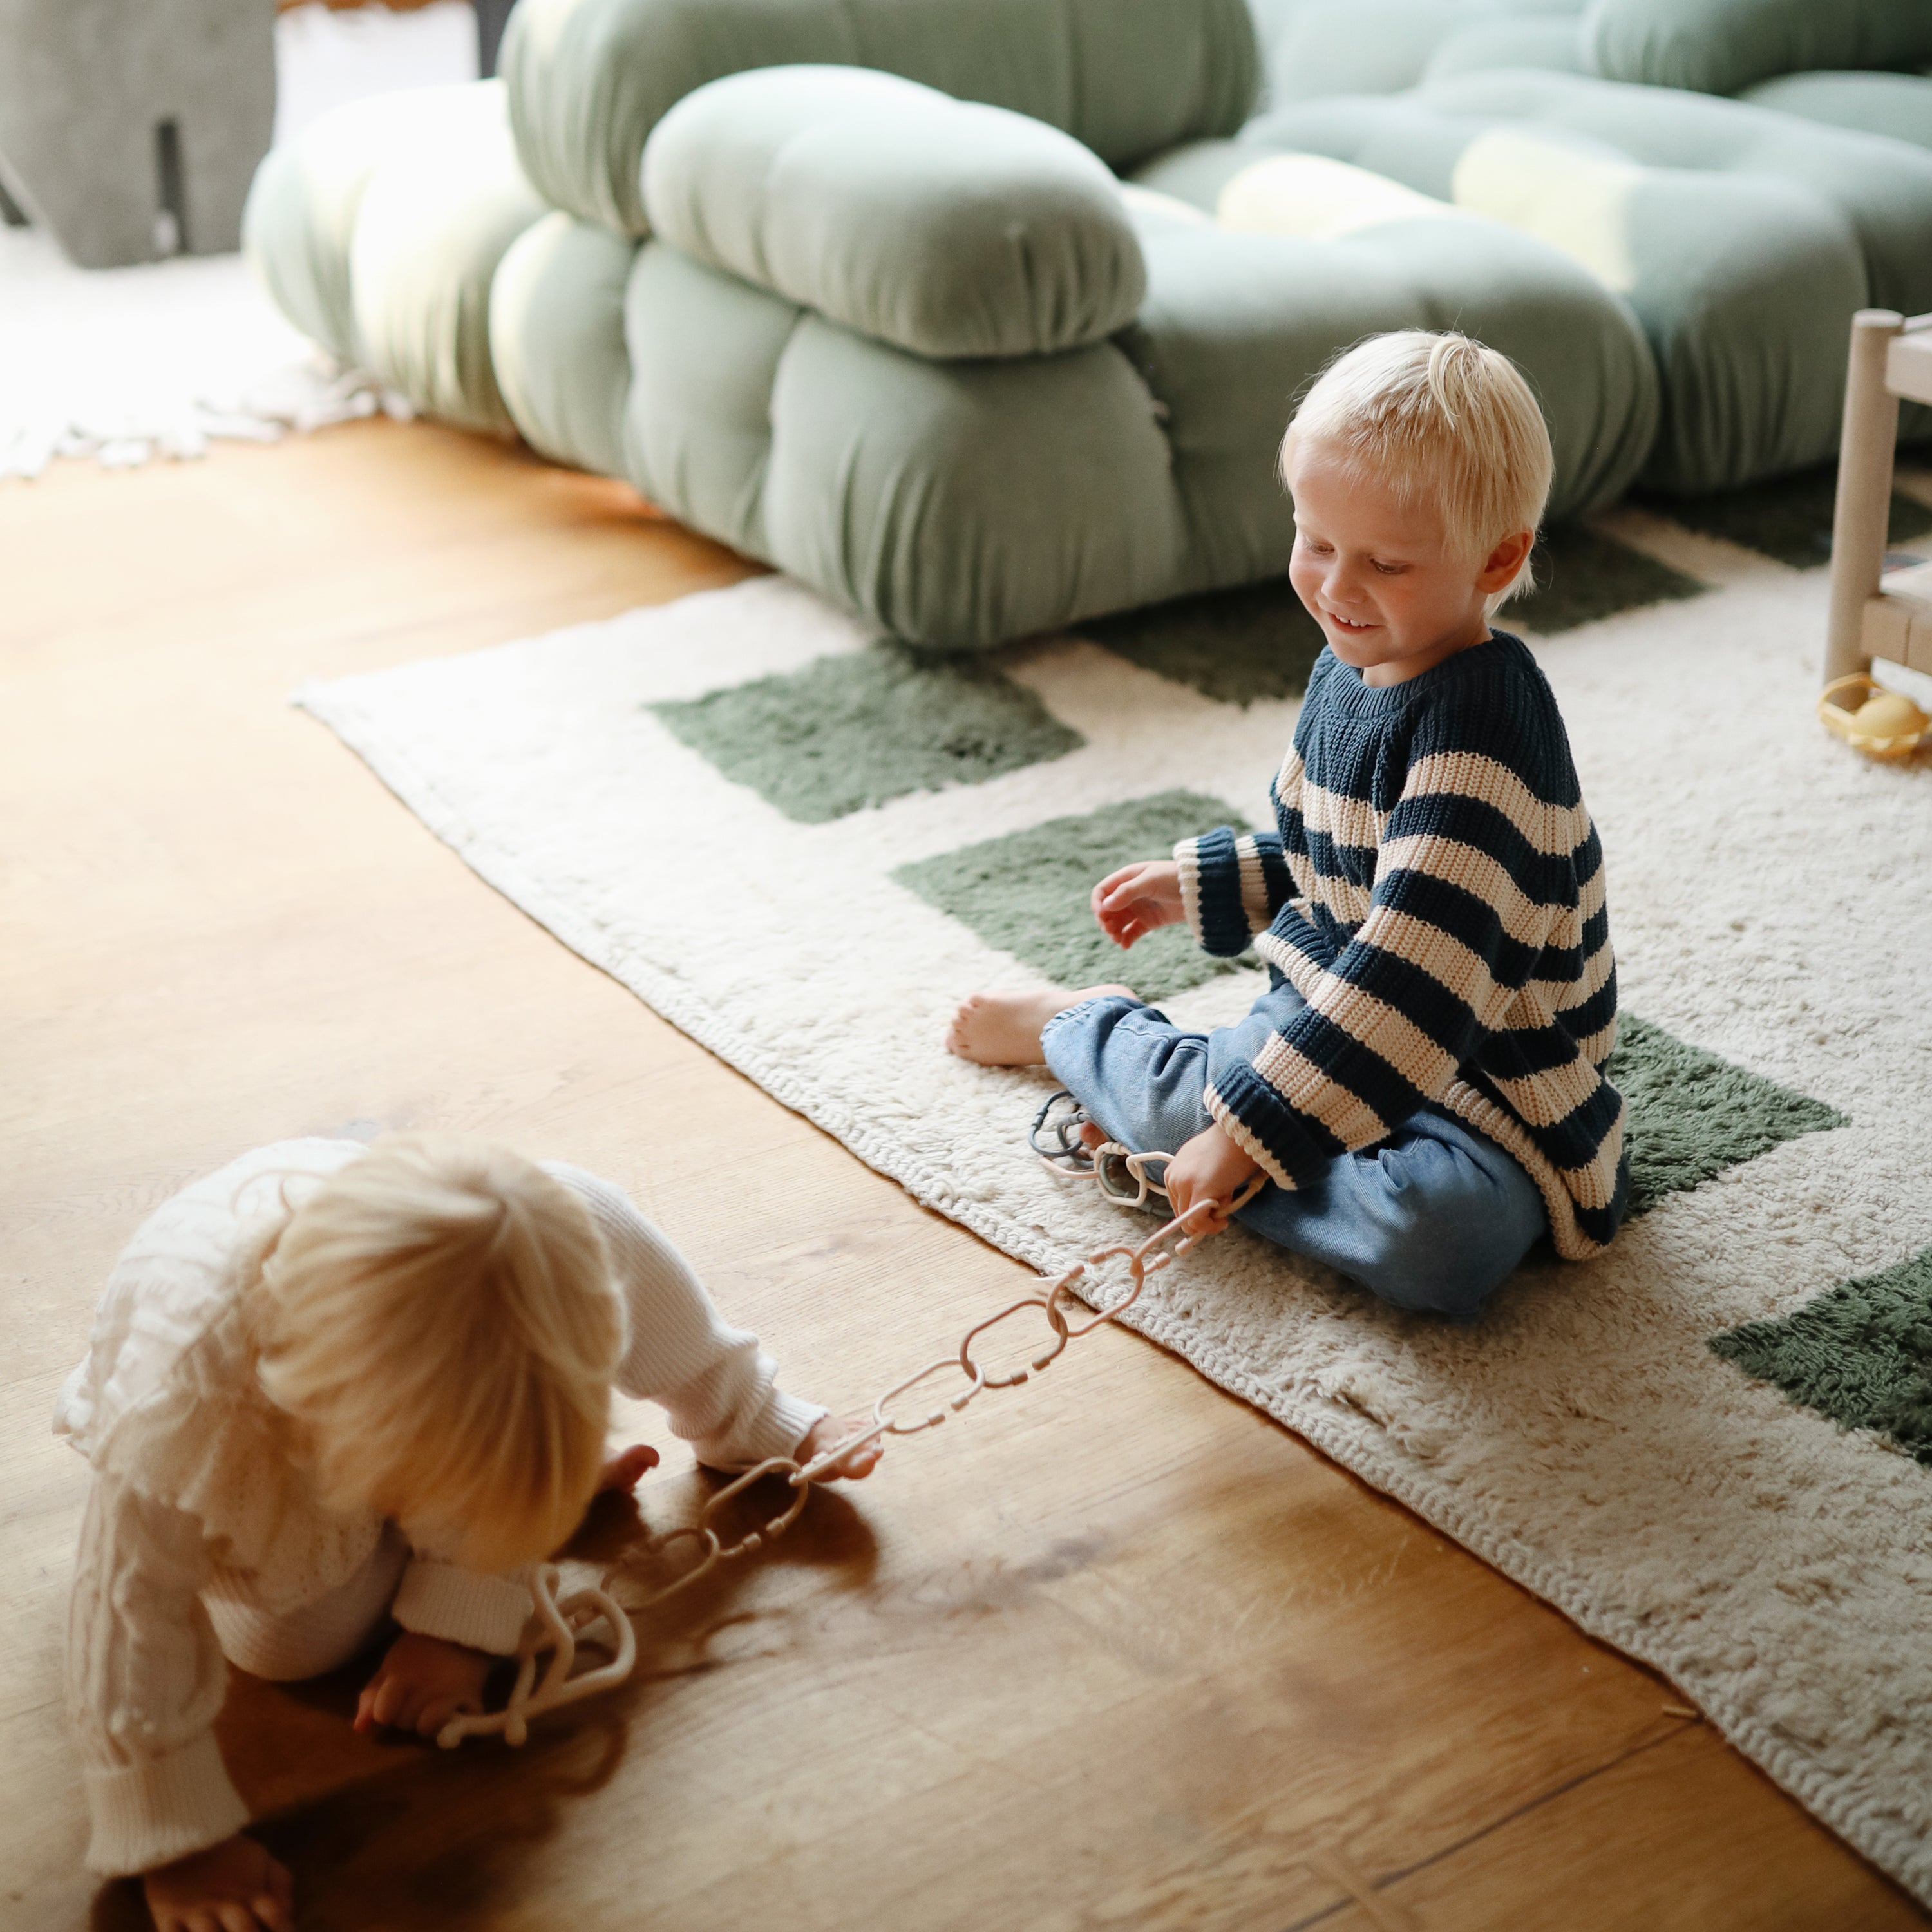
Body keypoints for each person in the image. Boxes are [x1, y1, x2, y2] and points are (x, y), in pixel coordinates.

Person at [949, 330, 1629, 1316]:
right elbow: (1338, 859)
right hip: (1330, 1008)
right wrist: (1206, 886)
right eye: (1317, 543)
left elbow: (1415, 975)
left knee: (1442, 1244)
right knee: (1233, 1100)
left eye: (1387, 564)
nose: (1339, 590)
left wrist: (1250, 1135)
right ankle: (1094, 1031)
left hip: (1494, 1077)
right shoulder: (1351, 667)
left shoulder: (1486, 746)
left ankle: (1116, 1068)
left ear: (1498, 557)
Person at [56, 1133, 879, 1932]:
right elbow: (122, 1615)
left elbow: (529, 1318)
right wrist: (179, 1846)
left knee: (579, 1213)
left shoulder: (523, 1259)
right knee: (293, 1645)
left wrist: (457, 1612)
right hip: (270, 1472)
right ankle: (500, 1482)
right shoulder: (181, 1417)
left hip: (426, 1343)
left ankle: (733, 1415)